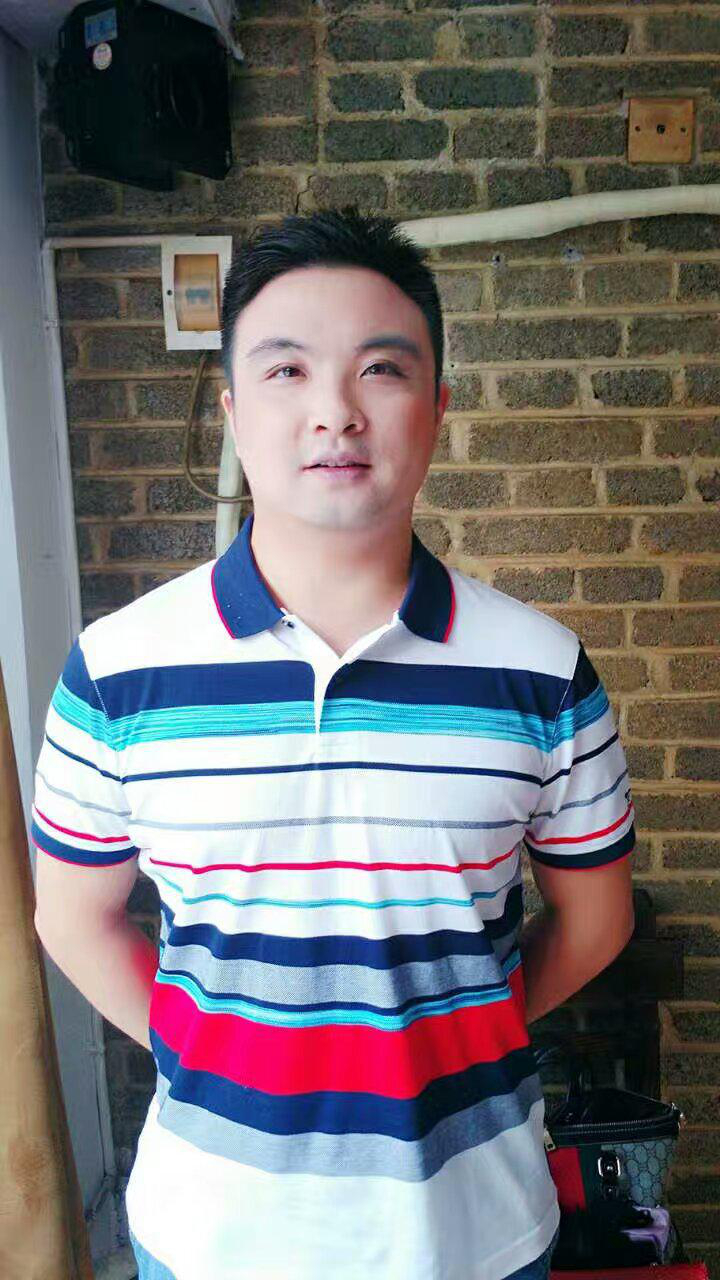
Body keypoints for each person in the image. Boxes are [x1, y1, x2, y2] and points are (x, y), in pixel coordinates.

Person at [32, 206, 635, 1280]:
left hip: (477, 1232)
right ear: (233, 409)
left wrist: (460, 1031)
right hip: (209, 1236)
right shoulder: (117, 669)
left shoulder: (543, 669)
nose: (336, 413)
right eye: (288, 370)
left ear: (438, 407)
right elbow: (74, 918)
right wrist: (208, 1044)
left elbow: (596, 921)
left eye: (381, 370)